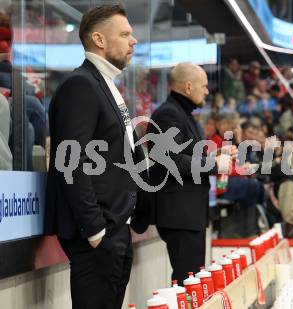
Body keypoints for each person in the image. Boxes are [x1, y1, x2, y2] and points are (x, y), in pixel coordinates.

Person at [45, 5, 148, 309]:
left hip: (115, 229)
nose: (134, 41)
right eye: (125, 34)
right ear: (99, 40)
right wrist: (95, 230)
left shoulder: (106, 86)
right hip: (98, 233)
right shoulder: (82, 85)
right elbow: (70, 162)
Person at [139, 62, 235, 284]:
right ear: (189, 87)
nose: (207, 91)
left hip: (189, 214)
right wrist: (214, 164)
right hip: (179, 215)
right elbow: (169, 159)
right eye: (204, 86)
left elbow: (187, 154)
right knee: (187, 282)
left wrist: (217, 153)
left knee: (194, 281)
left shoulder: (182, 113)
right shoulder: (168, 114)